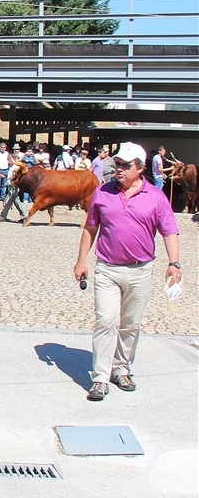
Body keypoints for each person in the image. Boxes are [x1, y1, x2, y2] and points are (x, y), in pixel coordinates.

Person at [73, 142, 181, 402]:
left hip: (140, 270)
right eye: (117, 164)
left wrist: (174, 263)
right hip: (107, 269)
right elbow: (90, 228)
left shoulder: (156, 196)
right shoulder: (102, 193)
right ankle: (100, 377)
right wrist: (81, 261)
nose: (118, 169)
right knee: (106, 321)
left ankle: (121, 368)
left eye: (125, 165)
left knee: (130, 323)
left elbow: (170, 231)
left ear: (141, 169)